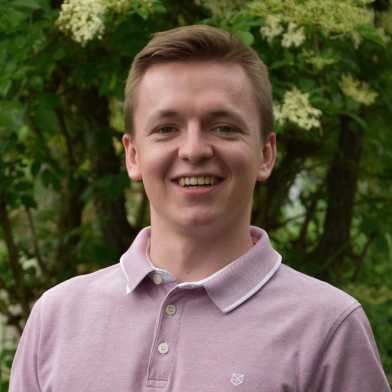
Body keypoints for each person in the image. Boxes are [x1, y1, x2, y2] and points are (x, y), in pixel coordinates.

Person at [10, 25, 390, 392]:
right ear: (133, 156)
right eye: (166, 128)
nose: (194, 150)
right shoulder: (57, 318)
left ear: (266, 154)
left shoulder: (328, 327)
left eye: (223, 127)